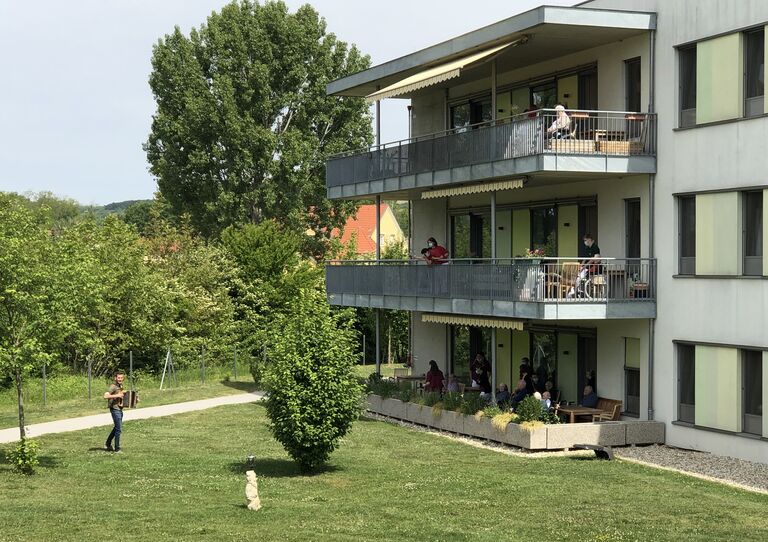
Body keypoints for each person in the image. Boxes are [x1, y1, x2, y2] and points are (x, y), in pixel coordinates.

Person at [104, 371, 126, 453]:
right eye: (118, 378)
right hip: (114, 409)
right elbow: (105, 396)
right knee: (118, 429)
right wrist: (117, 395)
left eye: (121, 378)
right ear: (115, 378)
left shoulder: (120, 386)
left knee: (117, 428)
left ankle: (107, 444)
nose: (120, 379)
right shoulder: (112, 387)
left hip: (119, 409)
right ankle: (117, 449)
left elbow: (122, 396)